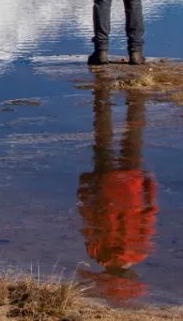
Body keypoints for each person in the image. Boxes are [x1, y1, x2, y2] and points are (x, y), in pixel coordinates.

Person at [76, 79, 158, 300]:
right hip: (105, 184)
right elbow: (88, 218)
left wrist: (149, 184)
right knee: (103, 140)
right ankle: (103, 96)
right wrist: (83, 189)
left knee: (133, 136)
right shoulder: (97, 254)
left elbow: (148, 215)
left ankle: (128, 97)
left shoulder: (139, 252)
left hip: (131, 183)